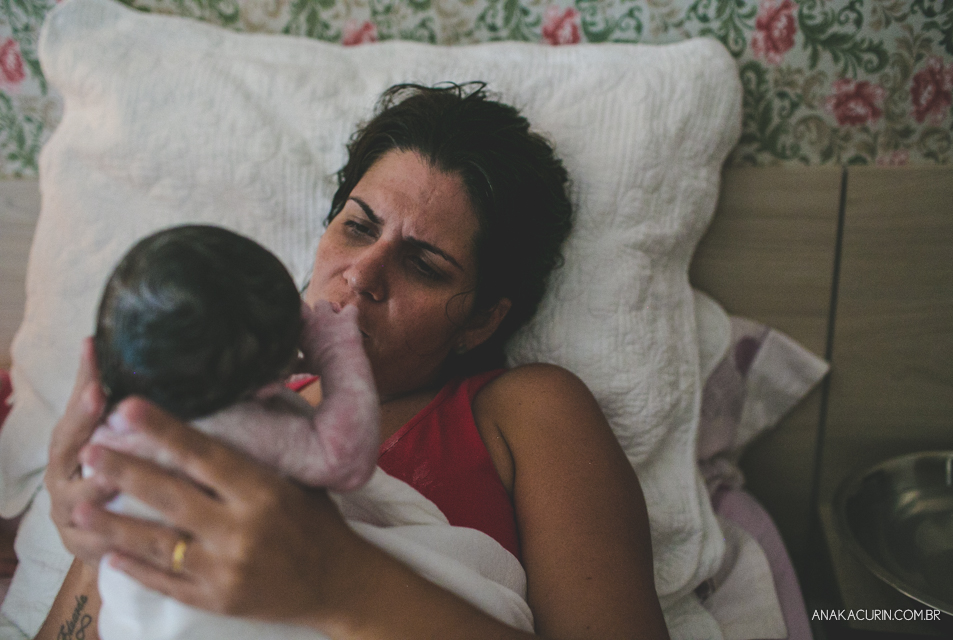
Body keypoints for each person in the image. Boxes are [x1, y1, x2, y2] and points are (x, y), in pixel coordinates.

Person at [37, 82, 671, 640]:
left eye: (424, 264)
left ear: (482, 318)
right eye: (358, 227)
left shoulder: (525, 409)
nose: (362, 274)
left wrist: (338, 581)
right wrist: (102, 532)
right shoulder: (214, 396)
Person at [91, 224, 379, 491]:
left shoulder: (115, 426)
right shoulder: (230, 425)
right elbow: (344, 460)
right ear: (267, 385)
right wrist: (335, 349)